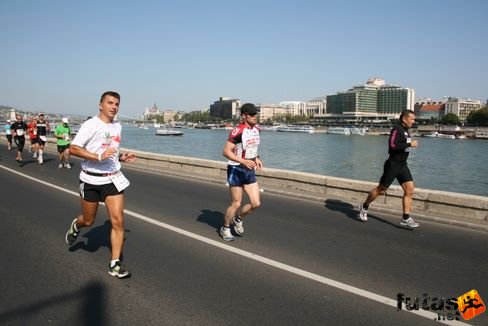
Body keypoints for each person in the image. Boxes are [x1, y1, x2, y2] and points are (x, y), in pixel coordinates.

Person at [65, 91, 136, 279]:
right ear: (100, 105)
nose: (114, 107)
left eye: (117, 104)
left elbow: (109, 151)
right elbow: (73, 148)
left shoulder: (118, 126)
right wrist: (97, 157)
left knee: (118, 221)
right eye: (110, 103)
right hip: (90, 179)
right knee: (88, 220)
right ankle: (76, 225)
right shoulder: (90, 125)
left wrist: (121, 157)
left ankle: (115, 264)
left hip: (112, 178)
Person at [358, 110, 420, 229]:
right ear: (404, 119)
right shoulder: (397, 130)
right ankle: (364, 206)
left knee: (410, 191)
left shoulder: (406, 131)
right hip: (393, 165)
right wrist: (409, 145)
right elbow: (392, 146)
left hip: (403, 166)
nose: (414, 121)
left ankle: (405, 218)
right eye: (412, 119)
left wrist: (408, 145)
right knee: (381, 190)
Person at [220, 103, 263, 241]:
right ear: (244, 116)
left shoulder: (256, 130)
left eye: (256, 114)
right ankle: (225, 228)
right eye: (252, 115)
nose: (255, 117)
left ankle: (238, 219)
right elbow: (226, 152)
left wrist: (256, 158)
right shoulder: (237, 131)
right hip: (236, 169)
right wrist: (243, 161)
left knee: (256, 203)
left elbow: (251, 148)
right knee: (236, 203)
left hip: (249, 170)